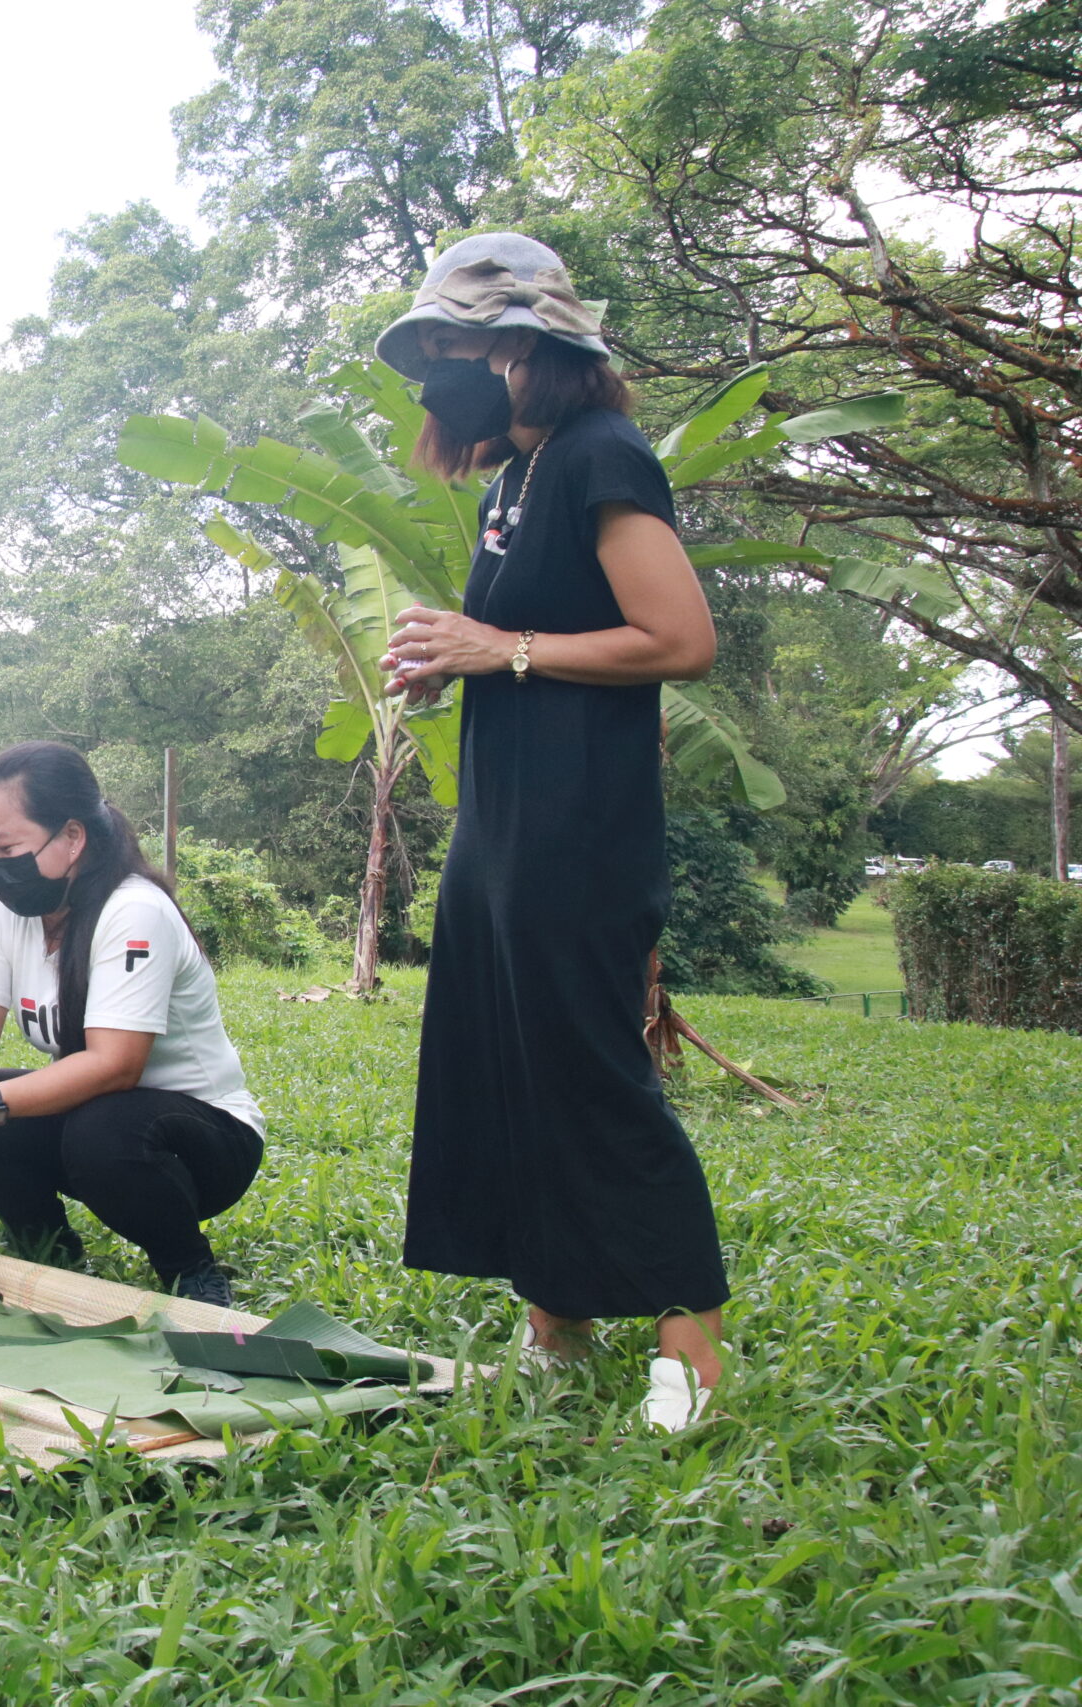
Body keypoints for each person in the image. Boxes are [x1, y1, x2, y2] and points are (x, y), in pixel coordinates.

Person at [371, 231, 728, 1432]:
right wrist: (451, 666)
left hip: (580, 824)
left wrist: (503, 650)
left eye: (460, 349)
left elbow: (677, 639)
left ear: (530, 348)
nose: (442, 378)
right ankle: (555, 1326)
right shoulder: (510, 482)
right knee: (503, 1066)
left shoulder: (601, 455)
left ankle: (690, 1344)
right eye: (433, 355)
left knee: (588, 1070)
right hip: (503, 821)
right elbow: (521, 648)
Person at [0, 742, 265, 1307]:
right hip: (96, 1124)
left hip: (203, 1142)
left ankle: (189, 1269)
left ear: (72, 837)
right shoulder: (1, 913)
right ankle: (47, 1246)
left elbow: (115, 1066)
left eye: (8, 847)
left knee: (96, 1125)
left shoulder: (133, 911)